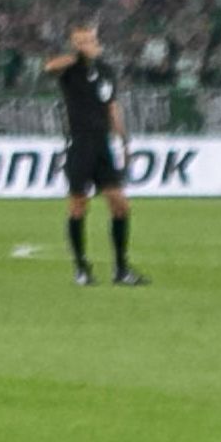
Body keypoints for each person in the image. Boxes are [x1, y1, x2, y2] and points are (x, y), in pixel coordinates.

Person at [44, 25, 146, 285]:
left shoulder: (105, 71)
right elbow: (49, 67)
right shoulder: (70, 69)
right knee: (79, 205)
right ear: (75, 45)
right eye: (81, 41)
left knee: (120, 204)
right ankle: (81, 268)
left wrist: (123, 140)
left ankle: (121, 269)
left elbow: (111, 106)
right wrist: (77, 56)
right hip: (79, 144)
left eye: (90, 40)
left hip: (102, 145)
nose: (88, 44)